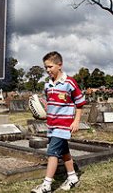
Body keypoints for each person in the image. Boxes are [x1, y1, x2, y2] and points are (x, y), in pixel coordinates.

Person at [31, 51, 86, 193]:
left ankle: (46, 185)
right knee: (63, 152)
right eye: (46, 68)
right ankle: (73, 176)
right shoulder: (47, 85)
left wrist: (76, 121)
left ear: (59, 65)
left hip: (64, 125)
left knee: (52, 153)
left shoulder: (69, 82)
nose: (48, 70)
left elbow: (80, 103)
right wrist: (42, 110)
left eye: (50, 67)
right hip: (52, 125)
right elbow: (50, 104)